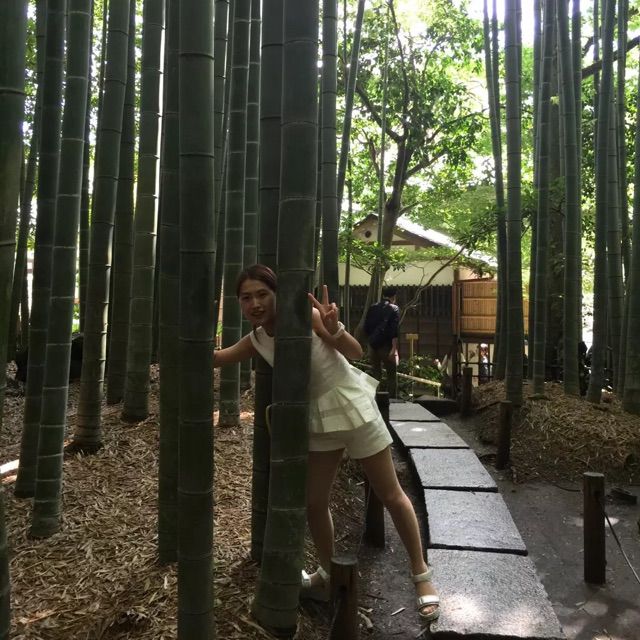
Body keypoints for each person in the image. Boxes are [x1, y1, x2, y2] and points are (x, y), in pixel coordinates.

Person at [213, 265, 440, 621]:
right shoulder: (257, 339)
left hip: (351, 405)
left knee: (391, 494)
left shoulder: (308, 316)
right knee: (314, 502)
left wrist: (334, 328)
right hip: (318, 419)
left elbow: (355, 352)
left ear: (277, 294)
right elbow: (217, 358)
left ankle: (421, 575)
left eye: (262, 294)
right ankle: (327, 573)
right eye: (246, 298)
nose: (255, 303)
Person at [363, 286, 400, 398]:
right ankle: (391, 400)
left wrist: (369, 342)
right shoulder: (394, 308)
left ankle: (375, 399)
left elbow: (366, 327)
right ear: (394, 297)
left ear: (383, 295)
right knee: (391, 374)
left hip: (372, 345)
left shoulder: (373, 307)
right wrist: (394, 349)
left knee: (376, 374)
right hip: (386, 346)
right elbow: (394, 330)